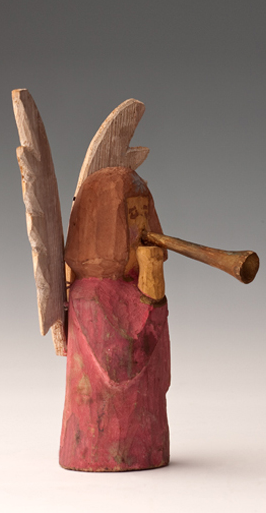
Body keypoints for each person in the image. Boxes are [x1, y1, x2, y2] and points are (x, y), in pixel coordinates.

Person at [59, 166, 170, 471]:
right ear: (103, 225)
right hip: (97, 438)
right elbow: (122, 368)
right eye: (133, 215)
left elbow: (161, 374)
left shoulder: (137, 286)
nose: (143, 227)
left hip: (147, 430)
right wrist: (154, 299)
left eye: (145, 214)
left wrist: (151, 289)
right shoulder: (88, 295)